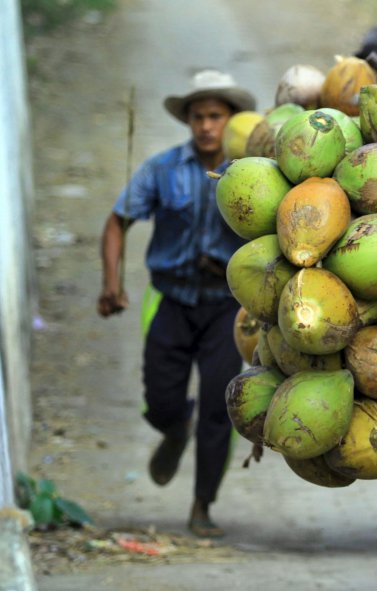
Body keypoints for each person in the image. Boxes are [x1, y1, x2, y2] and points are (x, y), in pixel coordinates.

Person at [97, 70, 256, 538]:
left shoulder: (251, 172)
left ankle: (202, 505)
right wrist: (111, 283)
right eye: (198, 116)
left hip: (227, 308)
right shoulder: (162, 168)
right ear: (187, 120)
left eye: (215, 116)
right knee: (161, 401)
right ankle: (173, 424)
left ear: (230, 120)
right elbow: (116, 222)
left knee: (218, 407)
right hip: (171, 299)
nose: (206, 125)